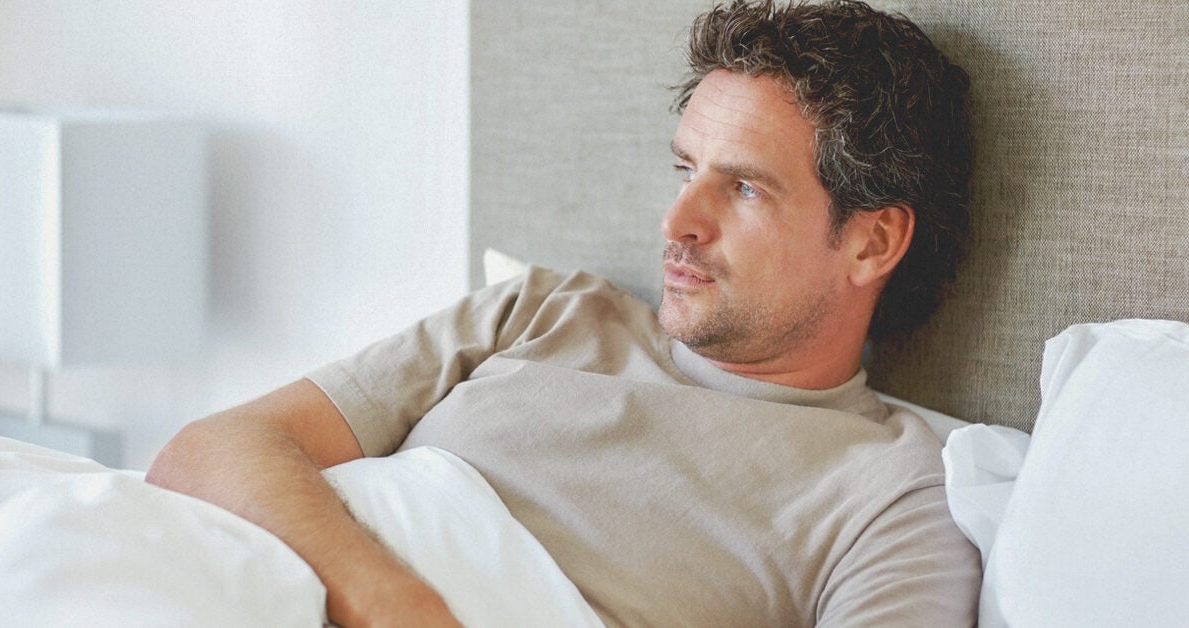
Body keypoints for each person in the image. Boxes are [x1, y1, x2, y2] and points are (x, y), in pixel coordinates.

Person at [148, 1, 979, 626]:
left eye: (745, 188)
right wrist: (393, 602)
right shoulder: (547, 311)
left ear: (872, 241)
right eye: (685, 169)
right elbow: (212, 449)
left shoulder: (889, 494)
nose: (677, 221)